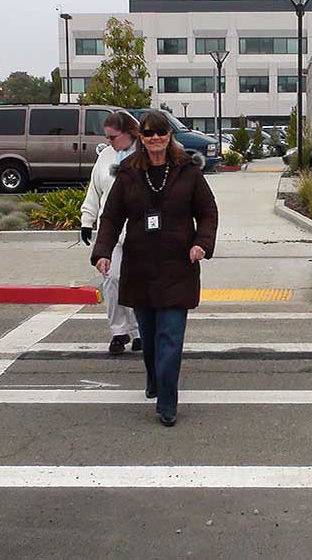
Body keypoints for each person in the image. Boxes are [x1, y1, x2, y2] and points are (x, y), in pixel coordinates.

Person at [92, 109, 218, 427]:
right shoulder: (128, 173)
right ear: (141, 137)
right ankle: (154, 377)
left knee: (171, 338)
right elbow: (110, 217)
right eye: (148, 133)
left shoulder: (188, 171)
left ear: (169, 135)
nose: (155, 138)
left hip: (178, 266)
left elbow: (207, 212)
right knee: (149, 339)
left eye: (161, 132)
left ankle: (167, 401)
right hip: (141, 267)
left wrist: (201, 243)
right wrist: (102, 251)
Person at [80, 111, 141, 355]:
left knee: (138, 281)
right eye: (106, 137)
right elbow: (95, 190)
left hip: (139, 230)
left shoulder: (145, 154)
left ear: (128, 133)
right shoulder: (105, 157)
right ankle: (119, 331)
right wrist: (87, 219)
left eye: (112, 137)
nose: (108, 141)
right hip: (112, 229)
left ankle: (139, 332)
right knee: (112, 279)